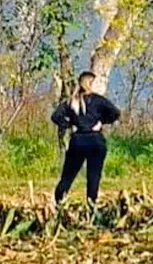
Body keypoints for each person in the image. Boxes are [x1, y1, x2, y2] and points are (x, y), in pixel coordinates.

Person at [51, 71, 120, 205]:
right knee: (93, 175)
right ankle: (91, 204)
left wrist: (70, 125)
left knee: (68, 175)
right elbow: (115, 113)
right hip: (96, 140)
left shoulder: (71, 102)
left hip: (78, 140)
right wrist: (102, 122)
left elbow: (55, 116)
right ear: (90, 83)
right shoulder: (99, 101)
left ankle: (59, 201)